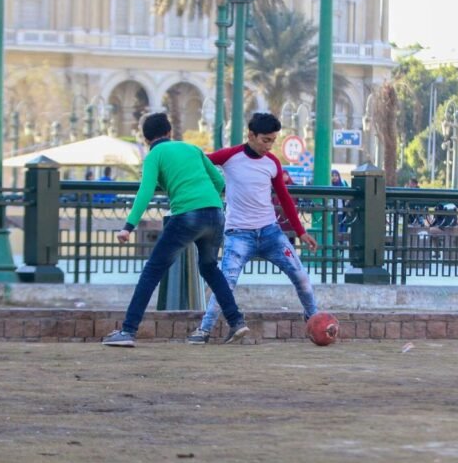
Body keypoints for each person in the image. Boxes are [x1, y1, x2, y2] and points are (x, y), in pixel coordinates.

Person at [102, 112, 246, 347]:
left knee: (152, 271)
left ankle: (128, 331)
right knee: (210, 268)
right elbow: (220, 183)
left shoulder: (154, 156)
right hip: (215, 213)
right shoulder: (192, 149)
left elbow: (145, 192)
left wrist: (128, 226)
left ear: (146, 139)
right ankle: (237, 321)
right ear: (170, 132)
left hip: (187, 216)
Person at [191, 112, 320, 344]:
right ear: (251, 135)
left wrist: (301, 231)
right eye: (265, 140)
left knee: (301, 277)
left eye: (273, 141)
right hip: (238, 235)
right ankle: (204, 329)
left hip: (271, 233)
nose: (269, 146)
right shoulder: (230, 156)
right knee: (225, 284)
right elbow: (201, 162)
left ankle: (315, 321)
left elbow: (285, 197)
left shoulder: (273, 163)